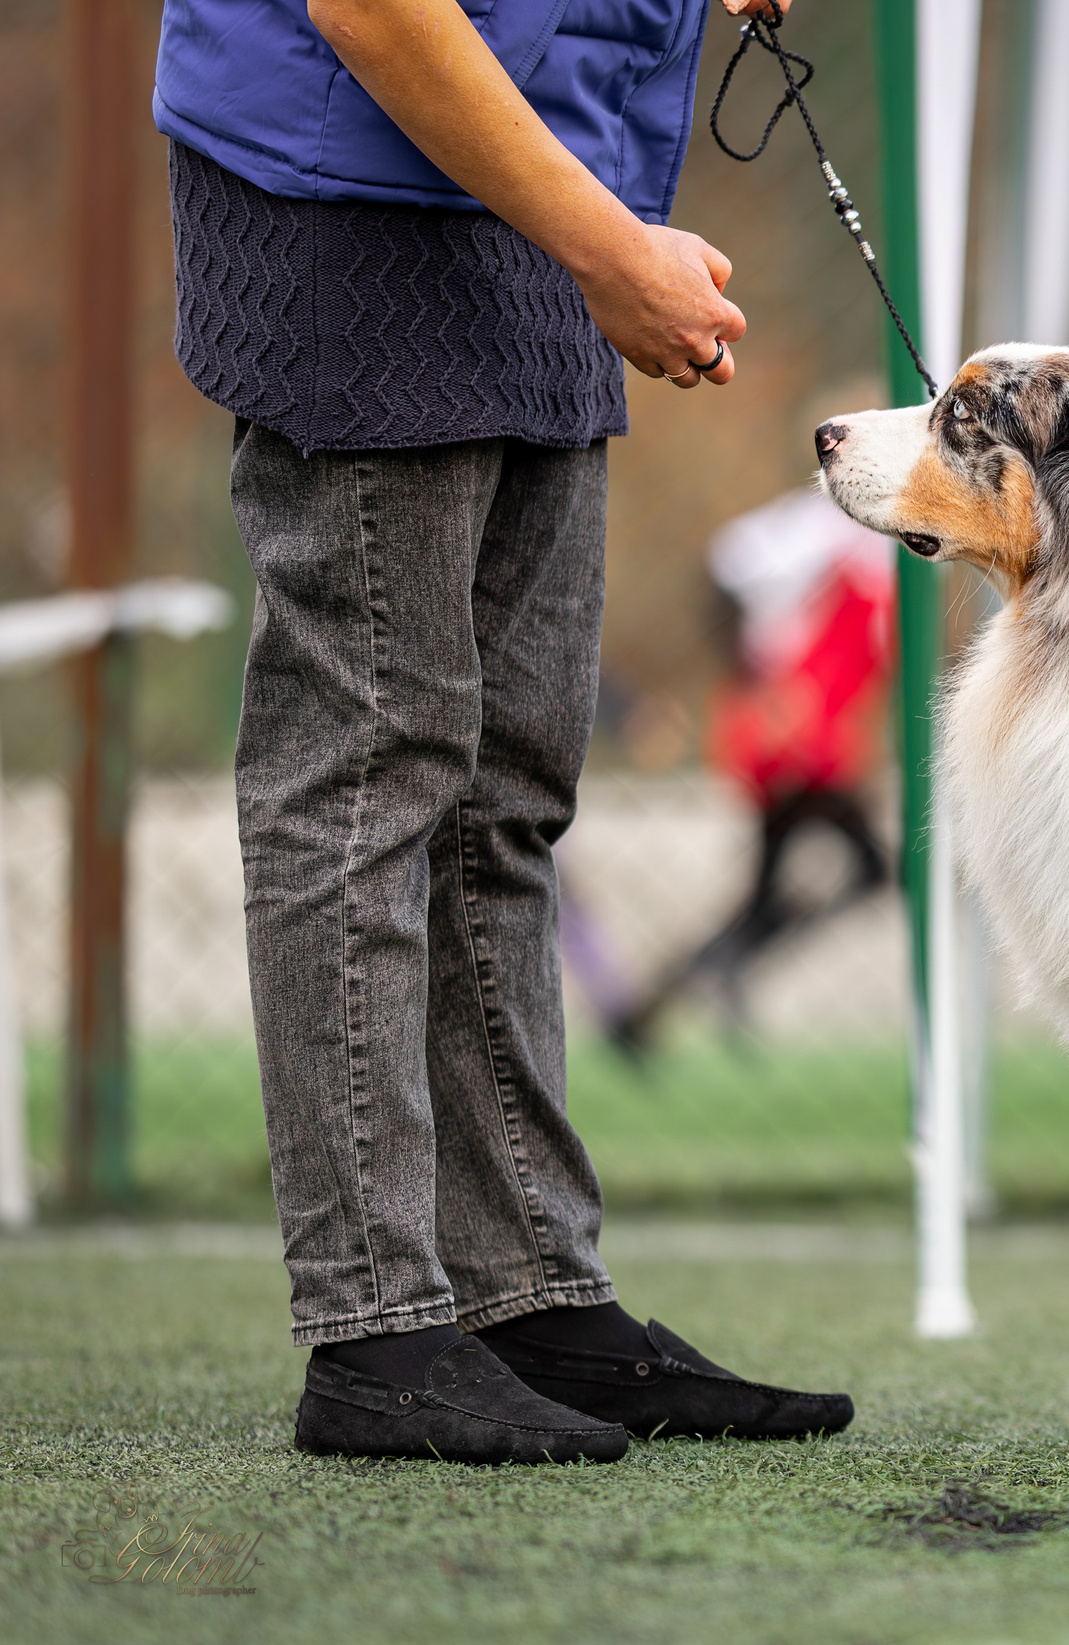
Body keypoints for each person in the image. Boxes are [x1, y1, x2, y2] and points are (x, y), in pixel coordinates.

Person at [155, 0, 852, 1461]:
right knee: (370, 769)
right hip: (352, 179)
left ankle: (525, 1293)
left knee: (508, 786)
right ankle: (375, 1329)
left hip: (543, 171)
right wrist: (614, 255)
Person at [608, 402, 897, 1056]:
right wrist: (760, 691)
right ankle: (720, 970)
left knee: (781, 890)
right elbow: (729, 567)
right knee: (875, 872)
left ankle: (662, 1002)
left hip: (808, 741)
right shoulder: (826, 528)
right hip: (792, 743)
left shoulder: (878, 533)